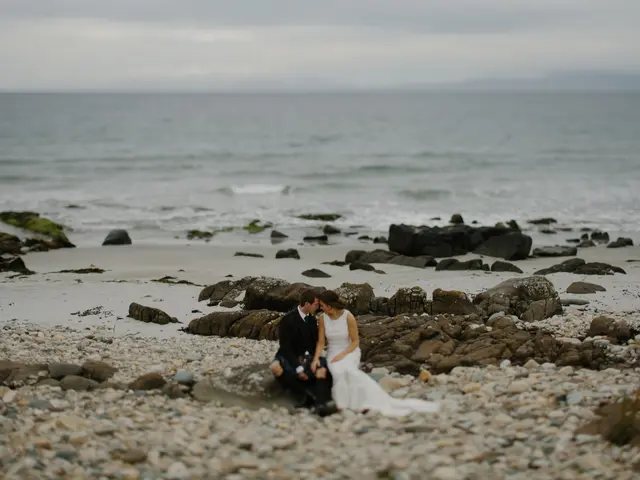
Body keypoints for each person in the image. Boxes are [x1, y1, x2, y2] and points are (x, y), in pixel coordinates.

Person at [310, 290, 440, 417]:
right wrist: (316, 358)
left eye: (321, 305)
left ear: (329, 305)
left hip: (350, 350)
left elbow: (355, 341)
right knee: (336, 370)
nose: (320, 307)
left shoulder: (347, 316)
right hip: (333, 351)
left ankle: (357, 401)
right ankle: (343, 403)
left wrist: (343, 354)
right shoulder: (322, 318)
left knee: (346, 369)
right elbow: (321, 342)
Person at [270, 288, 337, 416]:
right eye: (316, 304)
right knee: (277, 368)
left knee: (323, 370)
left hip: (307, 356)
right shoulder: (288, 320)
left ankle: (321, 404)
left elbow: (315, 343)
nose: (317, 307)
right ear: (307, 304)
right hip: (289, 354)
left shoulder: (312, 320)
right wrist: (298, 367)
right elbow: (285, 347)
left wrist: (314, 359)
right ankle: (305, 397)